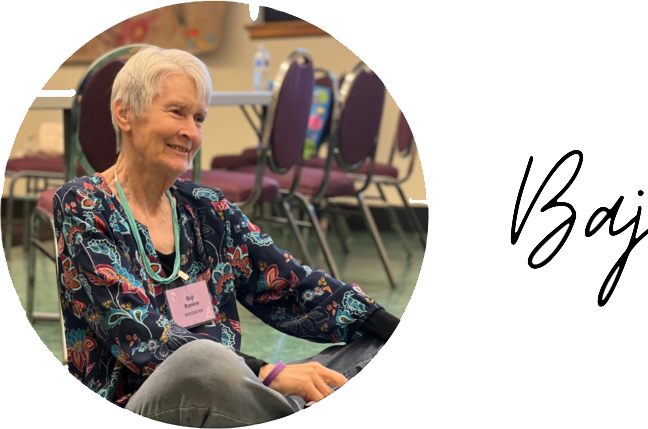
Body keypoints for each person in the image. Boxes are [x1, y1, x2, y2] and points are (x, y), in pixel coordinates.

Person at [52, 46, 400, 426]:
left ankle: (272, 408)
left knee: (372, 345)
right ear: (124, 113)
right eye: (177, 112)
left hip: (234, 388)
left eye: (199, 117)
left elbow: (293, 283)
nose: (191, 131)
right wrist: (268, 372)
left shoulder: (207, 208)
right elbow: (134, 329)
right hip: (143, 398)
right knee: (204, 358)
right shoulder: (82, 204)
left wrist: (386, 323)